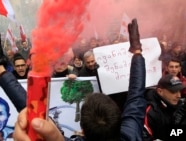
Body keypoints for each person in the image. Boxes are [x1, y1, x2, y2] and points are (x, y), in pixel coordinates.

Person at [13, 18, 146, 141]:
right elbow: (137, 94)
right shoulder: (131, 134)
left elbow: (136, 95)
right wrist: (137, 52)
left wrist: (0, 71)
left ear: (81, 129)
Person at [143, 74, 186, 140]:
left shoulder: (180, 105)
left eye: (179, 90)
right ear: (160, 91)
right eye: (174, 91)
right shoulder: (150, 112)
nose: (179, 95)